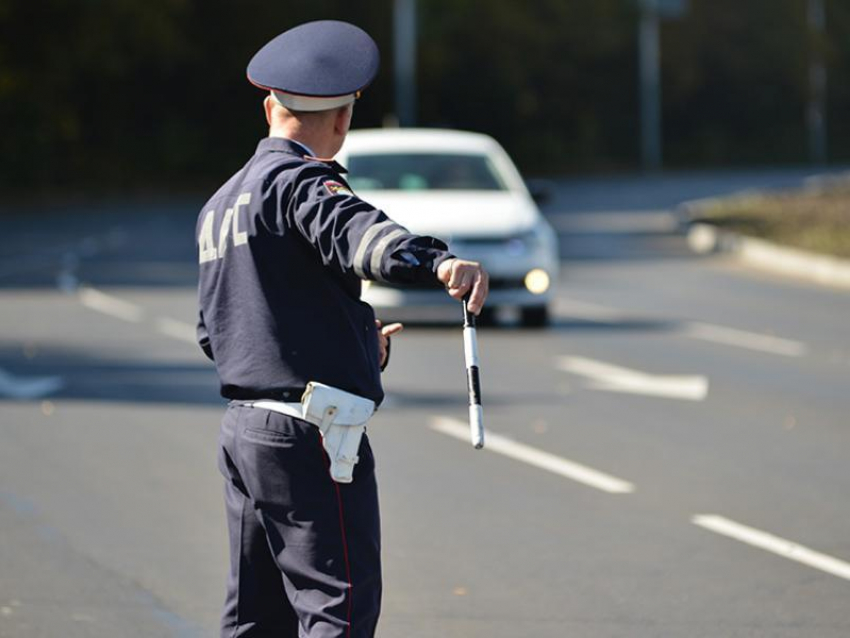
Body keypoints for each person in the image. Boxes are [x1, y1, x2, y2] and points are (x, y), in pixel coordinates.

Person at [195, 20, 489, 638]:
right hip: (310, 435)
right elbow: (361, 239)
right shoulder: (301, 182)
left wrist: (351, 340)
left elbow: (220, 330)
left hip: (244, 430)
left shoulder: (221, 203)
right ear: (342, 119)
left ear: (269, 105)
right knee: (338, 610)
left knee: (253, 617)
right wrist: (439, 262)